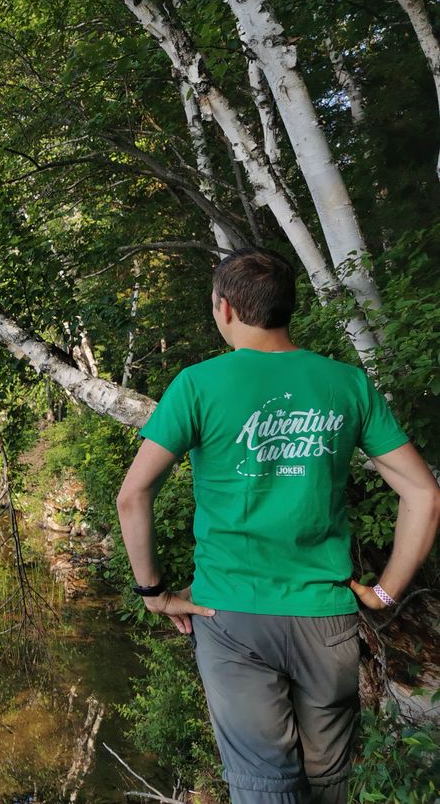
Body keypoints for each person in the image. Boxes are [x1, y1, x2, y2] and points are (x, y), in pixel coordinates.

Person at [115, 247, 440, 804]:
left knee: (263, 786)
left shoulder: (197, 384)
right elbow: (424, 493)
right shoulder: (346, 384)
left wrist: (153, 593)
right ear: (287, 308)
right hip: (327, 619)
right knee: (328, 780)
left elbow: (132, 495)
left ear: (224, 309)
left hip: (231, 616)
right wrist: (385, 593)